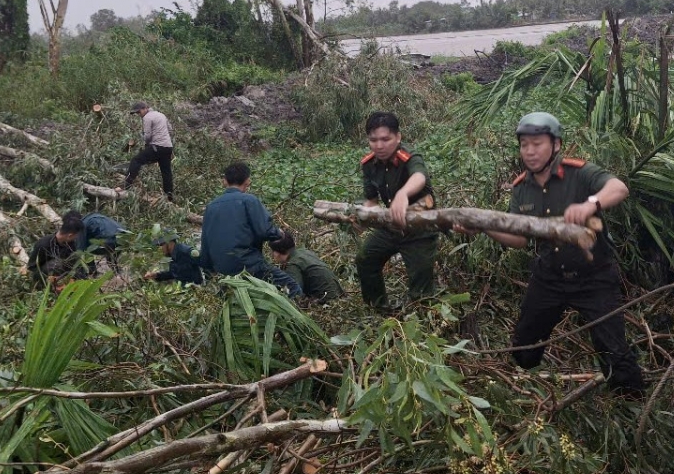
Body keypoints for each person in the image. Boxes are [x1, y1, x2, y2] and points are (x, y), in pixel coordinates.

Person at [457, 112, 645, 395]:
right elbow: (519, 239)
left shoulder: (578, 173)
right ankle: (526, 393)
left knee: (615, 352)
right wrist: (483, 227)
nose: (529, 152)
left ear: (555, 145)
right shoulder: (522, 188)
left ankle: (629, 401)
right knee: (524, 347)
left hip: (594, 277)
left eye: (537, 144)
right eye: (524, 145)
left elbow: (618, 188)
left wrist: (591, 204)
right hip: (549, 277)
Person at [356, 111, 438, 309]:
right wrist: (362, 218)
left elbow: (419, 177)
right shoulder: (369, 164)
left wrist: (403, 194)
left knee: (420, 286)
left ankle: (421, 322)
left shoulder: (409, 158)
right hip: (391, 226)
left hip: (420, 229)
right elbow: (371, 202)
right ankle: (377, 309)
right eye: (373, 140)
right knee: (365, 259)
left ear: (398, 137)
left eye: (386, 139)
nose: (379, 145)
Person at [199, 162, 302, 297]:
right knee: (292, 287)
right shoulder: (249, 200)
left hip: (221, 269)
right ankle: (293, 315)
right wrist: (278, 233)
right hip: (247, 265)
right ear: (247, 181)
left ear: (224, 181)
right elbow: (264, 230)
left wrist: (209, 274)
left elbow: (205, 244)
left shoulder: (211, 207)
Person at [122, 101, 174, 201]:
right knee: (166, 172)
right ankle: (169, 196)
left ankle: (126, 185)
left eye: (139, 112)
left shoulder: (147, 117)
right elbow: (170, 130)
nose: (139, 114)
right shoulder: (161, 115)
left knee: (136, 161)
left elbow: (148, 136)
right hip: (167, 147)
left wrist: (146, 143)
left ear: (145, 108)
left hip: (157, 147)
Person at [269, 231, 343, 302]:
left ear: (277, 252)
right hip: (339, 296)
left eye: (272, 251)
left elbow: (295, 294)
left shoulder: (293, 265)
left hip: (326, 301)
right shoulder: (304, 252)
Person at [29, 210, 85, 287]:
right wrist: (47, 278)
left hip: (64, 278)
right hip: (46, 279)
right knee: (55, 264)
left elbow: (76, 266)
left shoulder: (71, 245)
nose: (76, 238)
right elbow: (32, 268)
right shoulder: (43, 244)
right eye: (76, 236)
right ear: (70, 235)